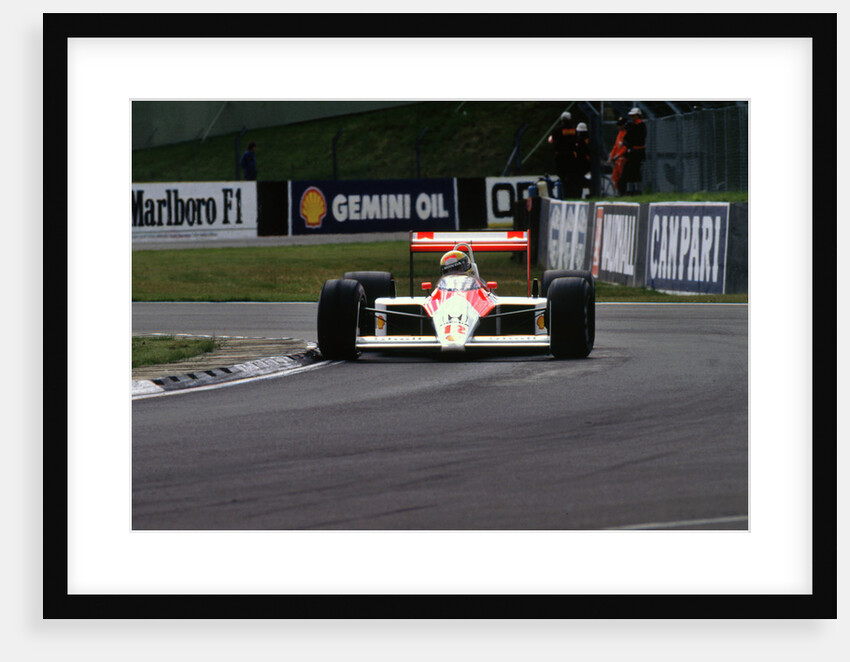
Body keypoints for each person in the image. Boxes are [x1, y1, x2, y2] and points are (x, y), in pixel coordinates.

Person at [548, 111, 579, 198]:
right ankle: (573, 195)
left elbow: (551, 140)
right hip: (571, 155)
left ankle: (564, 194)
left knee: (562, 176)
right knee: (571, 176)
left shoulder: (558, 130)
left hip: (560, 156)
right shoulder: (574, 130)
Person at [621, 108, 647, 195]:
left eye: (633, 116)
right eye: (631, 116)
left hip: (638, 151)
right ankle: (629, 189)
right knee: (629, 169)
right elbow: (627, 138)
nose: (632, 118)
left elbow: (636, 138)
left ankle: (636, 189)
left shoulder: (641, 126)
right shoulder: (631, 126)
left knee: (636, 170)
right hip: (632, 151)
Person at [607, 116, 627, 195]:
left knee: (622, 177)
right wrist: (611, 157)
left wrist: (618, 155)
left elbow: (625, 147)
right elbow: (615, 147)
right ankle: (619, 192)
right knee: (615, 177)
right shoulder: (619, 134)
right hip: (617, 160)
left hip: (622, 159)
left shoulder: (626, 133)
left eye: (620, 125)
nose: (619, 126)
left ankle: (623, 192)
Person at [575, 122, 592, 197]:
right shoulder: (590, 139)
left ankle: (579, 195)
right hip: (589, 163)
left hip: (581, 163)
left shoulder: (579, 140)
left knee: (579, 181)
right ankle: (591, 193)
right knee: (588, 179)